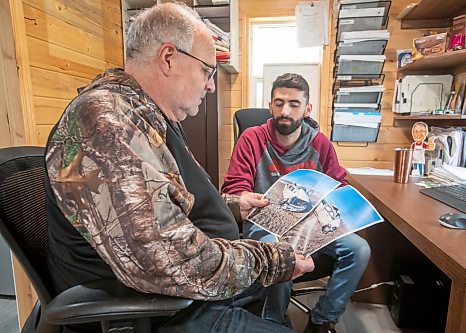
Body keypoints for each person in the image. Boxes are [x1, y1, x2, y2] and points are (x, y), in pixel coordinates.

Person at [44, 4, 314, 333]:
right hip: (159, 309)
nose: (211, 85)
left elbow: (163, 200)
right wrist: (274, 260)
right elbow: (174, 262)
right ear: (168, 58)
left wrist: (234, 206)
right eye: (206, 70)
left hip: (185, 291)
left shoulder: (145, 114)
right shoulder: (107, 122)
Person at [222, 73, 371, 333]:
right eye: (278, 103)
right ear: (270, 106)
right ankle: (275, 322)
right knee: (281, 252)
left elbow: (339, 184)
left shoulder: (319, 143)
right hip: (266, 222)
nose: (285, 111)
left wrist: (337, 205)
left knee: (359, 249)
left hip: (312, 222)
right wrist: (245, 197)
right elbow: (234, 189)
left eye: (293, 104)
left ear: (307, 109)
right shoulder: (251, 139)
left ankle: (323, 319)